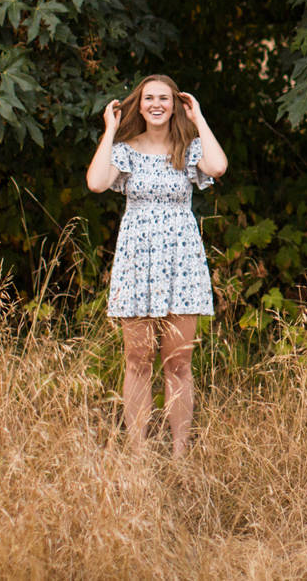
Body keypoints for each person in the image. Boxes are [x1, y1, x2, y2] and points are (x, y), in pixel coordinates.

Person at [85, 73, 227, 458]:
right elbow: (97, 183)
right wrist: (111, 129)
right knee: (137, 360)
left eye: (164, 98)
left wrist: (198, 118)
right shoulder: (127, 149)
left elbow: (217, 167)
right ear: (140, 104)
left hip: (181, 261)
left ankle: (180, 454)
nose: (156, 104)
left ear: (176, 104)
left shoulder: (188, 148)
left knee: (178, 362)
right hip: (137, 261)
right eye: (149, 98)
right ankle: (138, 452)